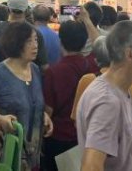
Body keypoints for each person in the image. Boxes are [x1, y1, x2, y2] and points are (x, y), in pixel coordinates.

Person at [71, 36, 132, 170]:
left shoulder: (88, 82)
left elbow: (78, 122)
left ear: (97, 59)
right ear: (127, 55)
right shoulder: (111, 96)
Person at [0, 22, 53, 171]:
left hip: (33, 156)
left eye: (36, 40)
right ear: (15, 43)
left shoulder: (35, 70)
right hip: (8, 156)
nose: (35, 45)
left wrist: (42, 114)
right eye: (28, 41)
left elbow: (31, 101)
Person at [42, 15, 96, 171]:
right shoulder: (93, 67)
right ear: (84, 42)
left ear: (60, 40)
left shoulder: (54, 72)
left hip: (59, 136)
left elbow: (49, 110)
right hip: (88, 135)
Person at [0, 0, 49, 71]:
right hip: (27, 76)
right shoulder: (35, 32)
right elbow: (44, 65)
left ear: (8, 9)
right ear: (26, 10)